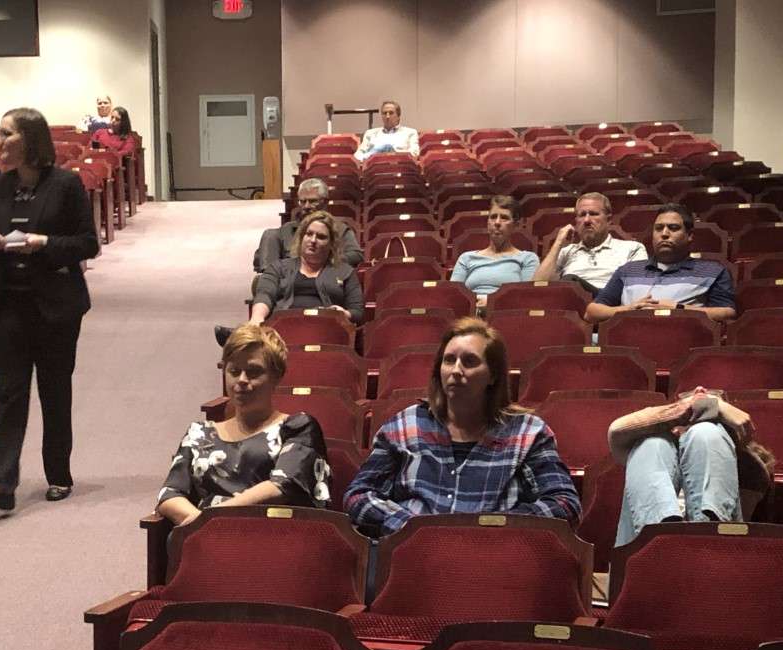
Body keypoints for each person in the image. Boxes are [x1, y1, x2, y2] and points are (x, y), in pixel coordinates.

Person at [0, 107, 99, 511]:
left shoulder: (66, 185)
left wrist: (41, 243)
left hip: (56, 304)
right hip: (10, 302)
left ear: (29, 141)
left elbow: (86, 244)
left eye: (6, 133)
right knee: (10, 394)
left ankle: (58, 473)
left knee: (54, 390)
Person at [345, 318, 580, 536]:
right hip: (414, 557)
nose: (456, 371)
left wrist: (493, 528)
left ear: (493, 376)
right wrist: (411, 528)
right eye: (449, 360)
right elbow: (358, 495)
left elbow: (565, 504)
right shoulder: (403, 426)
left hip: (495, 559)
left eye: (470, 361)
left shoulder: (528, 432)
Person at [157, 325, 330, 525]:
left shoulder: (298, 427)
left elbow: (283, 485)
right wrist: (199, 525)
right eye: (234, 371)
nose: (242, 380)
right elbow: (170, 493)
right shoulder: (199, 433)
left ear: (277, 376)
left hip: (271, 539)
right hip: (205, 541)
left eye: (254, 372)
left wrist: (211, 519)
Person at [608, 387, 773, 548]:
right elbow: (617, 430)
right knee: (652, 443)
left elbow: (741, 434)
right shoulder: (651, 451)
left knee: (706, 433)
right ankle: (658, 541)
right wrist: (712, 406)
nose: (700, 389)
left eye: (713, 395)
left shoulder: (747, 466)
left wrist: (716, 418)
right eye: (689, 395)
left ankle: (702, 538)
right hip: (644, 555)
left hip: (716, 553)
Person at [586, 204, 737, 324]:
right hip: (628, 342)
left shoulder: (713, 271)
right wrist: (629, 309)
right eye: (658, 228)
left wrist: (678, 309)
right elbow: (592, 312)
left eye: (673, 228)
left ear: (689, 235)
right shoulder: (628, 270)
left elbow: (728, 314)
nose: (664, 233)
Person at [250, 210, 364, 324]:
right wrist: (257, 318)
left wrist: (344, 313)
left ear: (331, 244)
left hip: (327, 329)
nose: (313, 240)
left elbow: (357, 312)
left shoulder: (345, 272)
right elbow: (264, 295)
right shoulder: (278, 267)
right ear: (301, 237)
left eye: (321, 237)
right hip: (282, 330)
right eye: (309, 234)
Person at [532, 192, 647, 293]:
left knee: (571, 281)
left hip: (611, 304)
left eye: (593, 214)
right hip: (571, 304)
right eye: (582, 215)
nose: (586, 220)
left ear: (609, 220)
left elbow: (637, 290)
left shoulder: (632, 248)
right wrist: (558, 244)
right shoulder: (566, 252)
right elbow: (537, 286)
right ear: (576, 221)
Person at [254, 178, 363, 274]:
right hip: (286, 279)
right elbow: (260, 260)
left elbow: (356, 256)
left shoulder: (340, 229)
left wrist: (324, 260)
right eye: (302, 201)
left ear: (325, 202)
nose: (306, 206)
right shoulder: (285, 230)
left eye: (312, 201)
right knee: (269, 234)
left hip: (324, 278)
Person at [449, 195, 539, 308]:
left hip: (505, 315)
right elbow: (453, 295)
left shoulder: (527, 258)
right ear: (487, 223)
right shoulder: (467, 258)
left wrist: (490, 301)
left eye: (504, 218)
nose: (497, 222)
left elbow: (525, 297)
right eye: (493, 217)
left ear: (516, 225)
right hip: (470, 315)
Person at [353, 100, 419, 162]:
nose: (387, 116)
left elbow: (414, 154)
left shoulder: (410, 132)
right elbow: (358, 155)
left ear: (398, 116)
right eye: (384, 113)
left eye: (391, 113)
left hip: (398, 166)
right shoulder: (370, 133)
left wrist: (394, 153)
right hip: (375, 166)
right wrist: (372, 155)